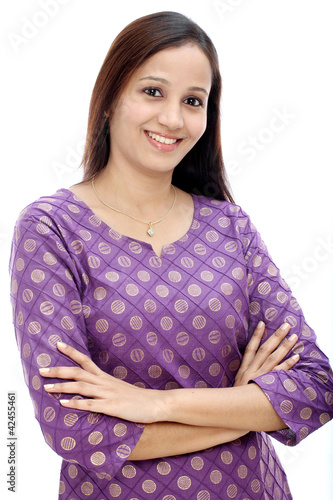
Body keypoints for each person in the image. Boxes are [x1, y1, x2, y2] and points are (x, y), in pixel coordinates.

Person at [9, 11, 333, 500]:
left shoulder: (230, 226)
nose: (173, 119)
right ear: (109, 97)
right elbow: (73, 429)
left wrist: (154, 404)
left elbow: (315, 388)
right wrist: (241, 409)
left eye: (193, 101)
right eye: (153, 92)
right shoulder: (50, 229)